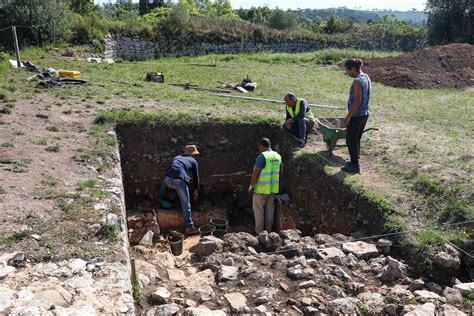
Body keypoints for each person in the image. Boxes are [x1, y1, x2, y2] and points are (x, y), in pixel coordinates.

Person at [157, 145, 200, 235]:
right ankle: (189, 227)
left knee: (162, 190)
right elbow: (196, 177)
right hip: (180, 181)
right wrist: (196, 190)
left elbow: (170, 169)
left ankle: (159, 199)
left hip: (168, 179)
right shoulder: (193, 161)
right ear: (193, 154)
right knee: (186, 204)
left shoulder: (176, 158)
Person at [341, 58, 371, 174]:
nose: (347, 73)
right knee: (356, 138)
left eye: (347, 71)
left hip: (357, 115)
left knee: (351, 140)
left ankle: (355, 165)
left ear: (353, 69)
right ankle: (355, 160)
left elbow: (357, 101)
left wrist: (348, 116)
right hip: (364, 113)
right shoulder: (366, 77)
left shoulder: (357, 81)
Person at [248, 138, 282, 234]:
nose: (259, 149)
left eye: (259, 147)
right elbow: (281, 171)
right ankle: (269, 232)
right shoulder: (277, 156)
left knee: (259, 211)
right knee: (269, 211)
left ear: (262, 145)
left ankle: (260, 233)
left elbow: (256, 173)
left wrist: (251, 186)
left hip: (261, 190)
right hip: (272, 189)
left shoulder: (262, 157)